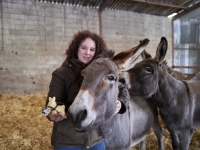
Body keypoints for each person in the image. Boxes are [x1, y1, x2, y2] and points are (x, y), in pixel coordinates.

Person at [45, 30, 129, 150]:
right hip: (68, 140)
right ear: (76, 49)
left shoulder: (100, 71)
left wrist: (121, 103)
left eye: (92, 49)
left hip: (95, 139)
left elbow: (122, 88)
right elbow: (52, 103)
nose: (87, 53)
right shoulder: (61, 74)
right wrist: (53, 113)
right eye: (84, 48)